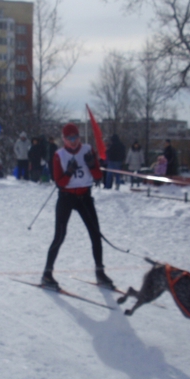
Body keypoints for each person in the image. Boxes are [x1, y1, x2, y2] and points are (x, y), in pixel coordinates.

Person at [41, 123, 114, 290]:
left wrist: (92, 165)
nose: (73, 142)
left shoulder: (88, 150)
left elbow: (98, 176)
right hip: (66, 198)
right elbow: (59, 183)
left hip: (84, 198)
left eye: (76, 137)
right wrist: (68, 173)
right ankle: (47, 273)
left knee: (95, 234)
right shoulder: (59, 155)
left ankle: (100, 272)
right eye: (69, 138)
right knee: (59, 236)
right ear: (64, 139)